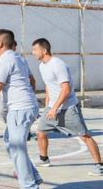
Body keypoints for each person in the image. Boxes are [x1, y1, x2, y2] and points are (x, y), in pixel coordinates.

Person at [0, 29, 42, 189]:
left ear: (0, 43)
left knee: (17, 147)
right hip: (24, 106)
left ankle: (30, 187)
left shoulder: (4, 61)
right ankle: (33, 176)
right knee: (9, 141)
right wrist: (30, 99)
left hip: (20, 109)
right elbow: (32, 81)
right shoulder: (18, 58)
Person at [32, 38, 102, 176]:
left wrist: (54, 108)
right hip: (52, 107)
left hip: (69, 108)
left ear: (44, 50)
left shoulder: (58, 64)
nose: (33, 52)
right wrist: (48, 105)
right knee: (41, 133)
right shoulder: (42, 66)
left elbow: (66, 89)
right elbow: (49, 86)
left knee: (85, 136)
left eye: (35, 50)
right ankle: (44, 159)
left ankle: (100, 166)